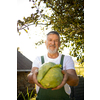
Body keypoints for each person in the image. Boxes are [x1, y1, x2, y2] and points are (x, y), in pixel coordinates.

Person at [27, 31, 79, 100]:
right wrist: (34, 75)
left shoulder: (66, 59)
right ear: (45, 43)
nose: (53, 43)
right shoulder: (38, 59)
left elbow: (75, 82)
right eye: (50, 40)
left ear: (59, 44)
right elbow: (29, 79)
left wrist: (66, 76)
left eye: (56, 41)